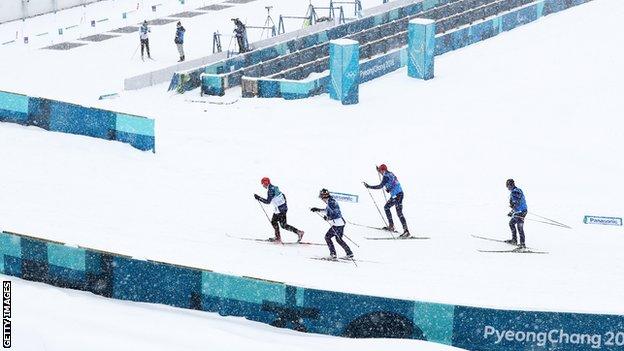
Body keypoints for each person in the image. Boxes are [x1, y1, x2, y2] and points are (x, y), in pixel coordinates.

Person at [364, 164, 410, 238]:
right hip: (397, 195)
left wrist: (369, 186)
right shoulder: (390, 173)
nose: (380, 172)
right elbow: (394, 181)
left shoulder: (386, 176)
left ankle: (406, 231)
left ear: (383, 170)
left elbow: (380, 186)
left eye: (380, 171)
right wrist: (390, 188)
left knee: (399, 213)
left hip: (397, 195)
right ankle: (391, 226)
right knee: (386, 207)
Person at [254, 177, 304, 243]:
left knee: (277, 223)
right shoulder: (274, 188)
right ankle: (297, 232)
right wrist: (283, 205)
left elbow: (268, 202)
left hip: (280, 209)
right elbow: (283, 195)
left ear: (266, 183)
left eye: (263, 184)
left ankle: (279, 238)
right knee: (282, 224)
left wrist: (258, 198)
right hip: (282, 208)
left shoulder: (270, 190)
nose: (263, 186)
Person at [311, 189, 354, 260]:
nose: (322, 199)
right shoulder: (330, 201)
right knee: (338, 239)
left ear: (323, 197)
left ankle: (333, 254)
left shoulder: (331, 202)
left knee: (327, 237)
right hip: (340, 223)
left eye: (321, 198)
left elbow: (336, 213)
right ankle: (349, 253)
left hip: (337, 224)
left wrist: (328, 218)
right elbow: (328, 211)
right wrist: (318, 209)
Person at [506, 179, 528, 248]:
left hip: (520, 212)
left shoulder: (515, 192)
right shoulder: (517, 190)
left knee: (520, 228)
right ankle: (514, 240)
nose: (507, 188)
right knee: (511, 223)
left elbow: (516, 203)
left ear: (510, 185)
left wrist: (512, 211)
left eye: (507, 186)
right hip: (519, 211)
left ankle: (522, 245)